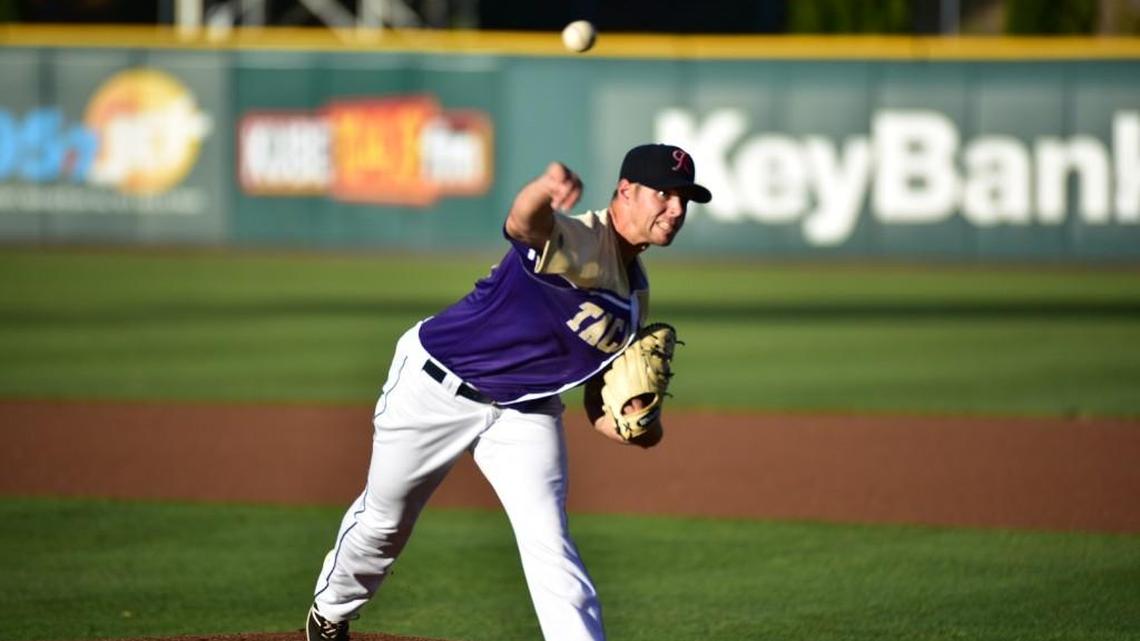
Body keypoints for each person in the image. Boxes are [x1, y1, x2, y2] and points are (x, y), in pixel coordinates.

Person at [305, 143, 712, 641]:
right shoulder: (584, 239)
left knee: (550, 543)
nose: (676, 210)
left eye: (685, 200)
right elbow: (524, 224)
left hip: (525, 410)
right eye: (665, 195)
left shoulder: (635, 295)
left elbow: (595, 399)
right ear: (625, 191)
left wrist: (636, 424)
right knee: (385, 522)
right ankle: (330, 611)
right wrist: (545, 187)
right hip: (437, 385)